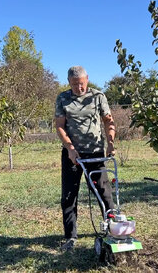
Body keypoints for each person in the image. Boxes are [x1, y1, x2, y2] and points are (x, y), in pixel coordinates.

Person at [55, 66, 116, 251]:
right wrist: (71, 149)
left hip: (95, 151)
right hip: (72, 155)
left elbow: (108, 120)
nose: (78, 88)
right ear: (69, 83)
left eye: (81, 84)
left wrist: (111, 142)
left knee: (103, 191)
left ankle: (112, 229)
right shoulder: (63, 98)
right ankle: (70, 236)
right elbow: (59, 126)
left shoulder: (97, 96)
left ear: (87, 80)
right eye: (74, 85)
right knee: (69, 195)